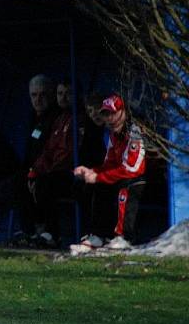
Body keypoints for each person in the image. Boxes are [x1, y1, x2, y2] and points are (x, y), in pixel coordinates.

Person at [72, 93, 146, 251]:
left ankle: (124, 237)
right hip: (123, 175)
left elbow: (131, 169)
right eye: (106, 114)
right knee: (99, 186)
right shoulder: (113, 134)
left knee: (124, 188)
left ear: (123, 112)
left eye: (113, 113)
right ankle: (99, 235)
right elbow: (109, 163)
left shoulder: (134, 130)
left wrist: (99, 176)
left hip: (138, 178)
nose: (109, 118)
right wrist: (91, 171)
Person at [24, 78, 81, 248]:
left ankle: (52, 234)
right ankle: (33, 231)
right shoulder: (60, 119)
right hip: (55, 171)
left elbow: (70, 154)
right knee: (26, 181)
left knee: (46, 183)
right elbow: (48, 150)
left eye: (68, 93)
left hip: (72, 172)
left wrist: (46, 171)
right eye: (60, 93)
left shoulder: (80, 118)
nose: (63, 98)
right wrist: (34, 170)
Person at [11, 74, 59, 246]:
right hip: (34, 169)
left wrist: (36, 172)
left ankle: (50, 232)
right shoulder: (31, 117)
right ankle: (28, 231)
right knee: (15, 183)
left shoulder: (57, 117)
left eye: (43, 94)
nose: (38, 99)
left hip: (53, 170)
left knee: (44, 184)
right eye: (34, 95)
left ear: (52, 95)